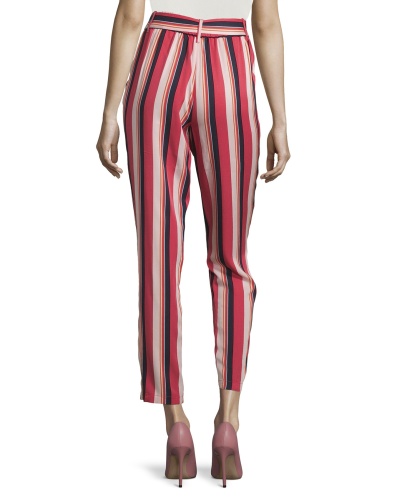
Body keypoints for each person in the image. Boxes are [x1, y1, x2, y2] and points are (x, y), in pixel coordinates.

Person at [96, 0, 291, 487]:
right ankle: (228, 422)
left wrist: (108, 113)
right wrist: (281, 120)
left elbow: (130, 16)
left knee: (158, 257)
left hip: (159, 63)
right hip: (229, 64)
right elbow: (266, 21)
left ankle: (176, 424)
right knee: (231, 258)